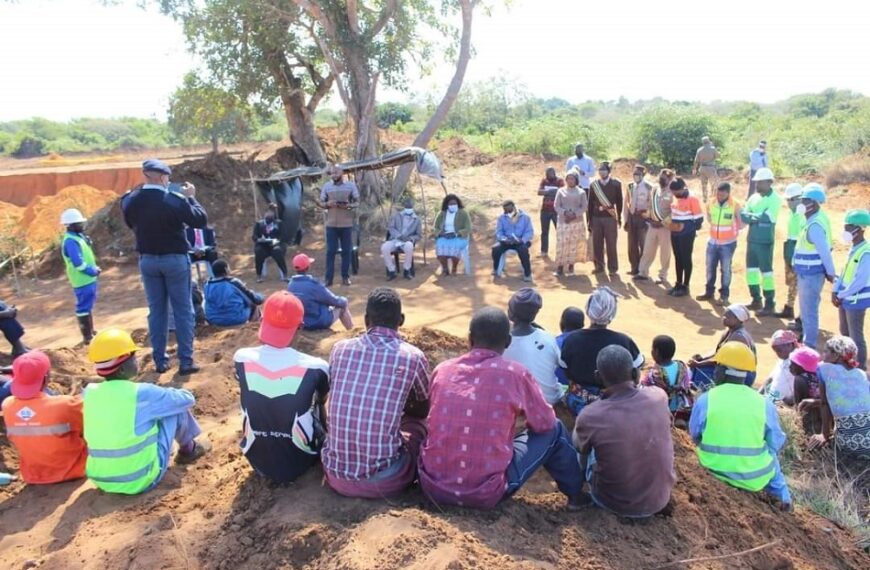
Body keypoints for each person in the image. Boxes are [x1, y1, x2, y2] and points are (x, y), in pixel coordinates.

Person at [419, 307, 584, 509]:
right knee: (555, 428)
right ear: (507, 341)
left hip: (432, 488)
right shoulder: (516, 374)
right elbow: (545, 423)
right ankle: (576, 496)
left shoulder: (442, 370)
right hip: (486, 493)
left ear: (470, 339)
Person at [321, 287, 431, 498]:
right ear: (401, 320)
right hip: (385, 480)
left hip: (335, 474)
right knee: (417, 426)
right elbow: (422, 410)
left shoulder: (339, 349)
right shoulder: (412, 356)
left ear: (365, 320)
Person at [83, 328, 210, 495]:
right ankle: (189, 450)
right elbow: (187, 399)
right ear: (121, 369)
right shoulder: (141, 393)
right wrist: (166, 392)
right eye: (133, 356)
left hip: (101, 480)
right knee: (173, 408)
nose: (136, 360)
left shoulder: (89, 393)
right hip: (140, 479)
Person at [121, 158, 208, 375]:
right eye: (167, 177)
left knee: (157, 312)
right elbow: (200, 220)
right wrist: (191, 198)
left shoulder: (130, 200)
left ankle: (160, 361)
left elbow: (130, 223)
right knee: (183, 310)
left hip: (148, 260)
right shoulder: (173, 200)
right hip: (175, 260)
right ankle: (186, 361)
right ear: (162, 177)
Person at [233, 291, 330, 483]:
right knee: (316, 402)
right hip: (302, 460)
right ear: (300, 327)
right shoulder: (316, 367)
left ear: (262, 320)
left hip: (256, 458)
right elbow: (322, 400)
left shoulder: (241, 358)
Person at [689, 341, 792, 511]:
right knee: (771, 456)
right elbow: (775, 441)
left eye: (717, 366)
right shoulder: (764, 403)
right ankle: (784, 500)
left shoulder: (706, 399)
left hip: (712, 470)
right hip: (754, 478)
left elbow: (694, 435)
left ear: (722, 370)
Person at [575, 345, 675, 517]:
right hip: (660, 499)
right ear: (635, 373)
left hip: (613, 503)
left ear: (598, 377)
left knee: (586, 440)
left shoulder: (590, 415)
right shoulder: (659, 396)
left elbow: (579, 448)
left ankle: (580, 482)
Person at [1, 351, 87, 484]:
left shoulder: (7, 405)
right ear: (46, 377)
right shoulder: (67, 404)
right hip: (74, 470)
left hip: (33, 476)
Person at [561, 287, 644, 415]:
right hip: (616, 402)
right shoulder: (624, 341)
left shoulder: (572, 339)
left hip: (578, 402)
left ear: (588, 310)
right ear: (612, 313)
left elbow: (565, 370)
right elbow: (637, 371)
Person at [806, 336, 870, 459]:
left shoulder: (824, 370)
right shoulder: (863, 374)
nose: (823, 355)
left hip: (852, 446)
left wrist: (824, 434)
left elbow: (825, 404)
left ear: (836, 355)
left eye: (826, 352)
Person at [503, 288, 564, 405]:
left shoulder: (502, 343)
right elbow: (559, 365)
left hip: (517, 404)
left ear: (510, 314)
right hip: (550, 401)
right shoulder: (548, 338)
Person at [793, 184, 835, 347]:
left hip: (811, 274)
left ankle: (809, 345)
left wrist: (831, 272)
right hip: (808, 272)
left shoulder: (815, 225)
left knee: (808, 312)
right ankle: (807, 342)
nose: (801, 203)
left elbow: (825, 252)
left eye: (805, 200)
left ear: (814, 203)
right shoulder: (813, 219)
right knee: (808, 310)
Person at [740, 167, 782, 316]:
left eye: (760, 182)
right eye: (756, 182)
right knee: (751, 271)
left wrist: (752, 216)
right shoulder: (753, 197)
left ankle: (769, 303)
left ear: (769, 182)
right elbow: (743, 216)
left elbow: (767, 217)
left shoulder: (775, 199)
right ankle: (756, 299)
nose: (757, 184)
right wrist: (755, 217)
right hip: (752, 240)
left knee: (766, 273)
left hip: (765, 241)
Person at [833, 210, 870, 370]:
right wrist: (835, 290)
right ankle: (848, 363)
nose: (845, 230)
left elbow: (860, 281)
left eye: (849, 227)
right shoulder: (855, 248)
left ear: (859, 229)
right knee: (845, 332)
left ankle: (860, 369)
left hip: (856, 300)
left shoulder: (866, 252)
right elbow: (844, 273)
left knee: (856, 337)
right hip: (845, 298)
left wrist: (841, 294)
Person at [688, 304, 756, 390]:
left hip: (741, 375)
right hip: (730, 368)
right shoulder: (728, 331)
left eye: (727, 317)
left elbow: (722, 360)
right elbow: (718, 352)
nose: (723, 318)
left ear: (737, 319)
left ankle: (703, 392)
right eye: (724, 315)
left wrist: (699, 364)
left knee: (700, 370)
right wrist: (702, 358)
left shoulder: (738, 337)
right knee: (697, 367)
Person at [60, 208, 101, 344]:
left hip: (87, 279)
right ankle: (87, 337)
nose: (82, 225)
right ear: (70, 225)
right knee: (83, 307)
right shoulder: (71, 241)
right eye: (79, 223)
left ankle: (91, 331)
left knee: (88, 305)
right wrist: (92, 271)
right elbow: (78, 263)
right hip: (82, 279)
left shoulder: (77, 237)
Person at [698, 182, 742, 305]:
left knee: (725, 270)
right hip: (712, 242)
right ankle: (709, 292)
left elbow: (742, 223)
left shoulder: (735, 205)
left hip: (728, 244)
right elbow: (709, 218)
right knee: (710, 268)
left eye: (722, 194)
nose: (719, 196)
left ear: (728, 193)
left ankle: (724, 296)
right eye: (718, 194)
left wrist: (732, 233)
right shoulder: (711, 203)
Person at [287, 254, 354, 331]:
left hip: (303, 323)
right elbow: (333, 300)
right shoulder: (313, 284)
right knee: (342, 307)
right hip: (318, 321)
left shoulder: (291, 285)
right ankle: (352, 331)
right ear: (308, 267)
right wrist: (344, 300)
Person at [318, 166, 359, 286]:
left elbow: (357, 202)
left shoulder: (351, 186)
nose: (334, 175)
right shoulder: (327, 186)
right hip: (331, 224)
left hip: (346, 224)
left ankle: (345, 277)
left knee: (346, 251)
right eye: (332, 173)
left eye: (336, 172)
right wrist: (327, 204)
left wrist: (348, 206)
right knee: (330, 251)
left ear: (342, 172)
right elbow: (321, 203)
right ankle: (328, 279)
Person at [640, 335, 694, 422]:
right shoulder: (682, 367)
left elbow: (644, 391)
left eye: (652, 349)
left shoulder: (652, 375)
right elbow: (687, 385)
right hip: (681, 410)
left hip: (660, 412)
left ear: (656, 352)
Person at [636, 169, 675, 284]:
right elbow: (650, 205)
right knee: (648, 250)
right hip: (652, 225)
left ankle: (663, 275)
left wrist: (662, 223)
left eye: (665, 178)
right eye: (661, 177)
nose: (662, 179)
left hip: (665, 228)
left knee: (665, 253)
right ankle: (643, 272)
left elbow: (674, 211)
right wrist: (649, 218)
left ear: (670, 179)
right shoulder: (654, 189)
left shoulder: (673, 192)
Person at [666, 178, 703, 297]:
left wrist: (687, 228)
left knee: (686, 258)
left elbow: (699, 221)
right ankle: (678, 283)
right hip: (675, 233)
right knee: (678, 258)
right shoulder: (674, 198)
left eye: (675, 191)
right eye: (672, 191)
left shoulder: (692, 199)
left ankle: (685, 286)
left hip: (686, 234)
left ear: (682, 189)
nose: (674, 194)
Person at [774, 183, 806, 320]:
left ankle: (798, 312)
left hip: (799, 249)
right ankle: (789, 307)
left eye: (790, 200)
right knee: (791, 280)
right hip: (790, 247)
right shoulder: (793, 214)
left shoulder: (804, 215)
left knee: (798, 282)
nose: (788, 202)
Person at [203, 259, 264, 326]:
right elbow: (254, 299)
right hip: (235, 319)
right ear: (226, 269)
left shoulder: (207, 285)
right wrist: (261, 296)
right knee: (253, 304)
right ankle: (254, 327)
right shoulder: (233, 283)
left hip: (214, 320)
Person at [588, 162, 623, 275]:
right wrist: (589, 220)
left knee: (611, 244)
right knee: (597, 243)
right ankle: (599, 266)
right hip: (596, 217)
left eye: (604, 170)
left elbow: (619, 202)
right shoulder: (594, 185)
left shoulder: (616, 184)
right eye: (600, 170)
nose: (602, 172)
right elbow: (590, 204)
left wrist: (619, 217)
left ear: (609, 171)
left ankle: (613, 268)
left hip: (610, 217)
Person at [553, 172, 589, 276]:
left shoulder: (581, 192)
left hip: (576, 223)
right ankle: (560, 267)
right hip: (563, 222)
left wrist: (574, 215)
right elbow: (556, 206)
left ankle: (571, 266)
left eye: (572, 179)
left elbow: (584, 207)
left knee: (574, 244)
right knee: (562, 244)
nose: (570, 181)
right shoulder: (560, 191)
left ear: (576, 180)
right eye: (568, 178)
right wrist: (565, 213)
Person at [492, 200, 534, 282]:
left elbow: (529, 232)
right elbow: (499, 232)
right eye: (505, 210)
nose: (507, 212)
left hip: (520, 241)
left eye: (509, 210)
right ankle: (496, 268)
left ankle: (527, 274)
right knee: (495, 248)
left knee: (523, 250)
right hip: (507, 241)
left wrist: (522, 240)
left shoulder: (525, 217)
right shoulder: (501, 218)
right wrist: (504, 239)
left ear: (514, 207)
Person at [382, 197, 422, 280]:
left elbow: (418, 235)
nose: (408, 208)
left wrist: (410, 238)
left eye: (410, 207)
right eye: (407, 207)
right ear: (404, 206)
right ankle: (391, 270)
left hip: (407, 241)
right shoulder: (397, 216)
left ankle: (406, 270)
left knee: (409, 246)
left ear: (413, 207)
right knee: (384, 247)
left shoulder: (417, 220)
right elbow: (391, 228)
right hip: (395, 239)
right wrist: (398, 236)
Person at [433, 194, 472, 276]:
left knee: (455, 246)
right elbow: (435, 227)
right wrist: (440, 233)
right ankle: (445, 268)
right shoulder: (442, 214)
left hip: (459, 237)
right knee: (439, 245)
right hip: (445, 236)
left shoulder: (463, 213)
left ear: (458, 203)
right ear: (447, 204)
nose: (453, 205)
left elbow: (468, 228)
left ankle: (454, 267)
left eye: (455, 203)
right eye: (451, 204)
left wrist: (458, 233)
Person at [758, 329, 800, 405]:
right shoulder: (782, 359)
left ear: (790, 345)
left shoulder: (798, 361)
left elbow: (804, 387)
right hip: (772, 400)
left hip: (785, 404)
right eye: (776, 351)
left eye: (779, 350)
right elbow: (770, 379)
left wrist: (788, 402)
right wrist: (758, 395)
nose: (777, 353)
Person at [625, 165, 653, 276]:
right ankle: (634, 268)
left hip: (643, 218)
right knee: (632, 244)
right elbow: (626, 203)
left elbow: (651, 204)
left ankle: (643, 269)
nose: (636, 176)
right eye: (634, 174)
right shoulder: (630, 186)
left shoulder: (649, 187)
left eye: (638, 174)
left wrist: (648, 218)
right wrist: (626, 220)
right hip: (632, 217)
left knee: (643, 244)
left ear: (643, 175)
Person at [789, 346, 822, 434]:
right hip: (823, 420)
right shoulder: (821, 375)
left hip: (808, 422)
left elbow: (798, 406)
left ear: (801, 366)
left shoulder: (800, 379)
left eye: (792, 364)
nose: (790, 367)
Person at [252, 204, 289, 283]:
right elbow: (254, 236)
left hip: (276, 245)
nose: (270, 214)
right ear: (265, 213)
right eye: (269, 212)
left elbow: (284, 236)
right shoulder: (259, 224)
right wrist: (259, 239)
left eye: (272, 213)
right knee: (258, 251)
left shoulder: (279, 223)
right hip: (263, 246)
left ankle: (284, 274)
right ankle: (259, 275)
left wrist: (277, 241)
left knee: (277, 251)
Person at [537, 167, 564, 257]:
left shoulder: (560, 181)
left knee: (559, 231)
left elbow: (562, 191)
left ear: (554, 173)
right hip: (545, 210)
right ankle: (544, 251)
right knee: (544, 231)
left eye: (551, 173)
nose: (549, 175)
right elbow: (539, 192)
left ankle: (562, 250)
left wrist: (547, 191)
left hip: (556, 210)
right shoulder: (544, 181)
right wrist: (553, 191)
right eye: (548, 173)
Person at [555, 307, 584, 388]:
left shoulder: (553, 343)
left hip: (557, 389)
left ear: (561, 323)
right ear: (582, 326)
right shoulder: (588, 344)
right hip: (580, 392)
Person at [692, 136, 720, 202]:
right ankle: (713, 198)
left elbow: (696, 161)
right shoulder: (712, 148)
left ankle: (705, 198)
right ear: (708, 141)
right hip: (710, 168)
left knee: (704, 185)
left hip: (702, 168)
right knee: (714, 184)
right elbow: (718, 156)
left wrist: (694, 169)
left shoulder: (699, 150)